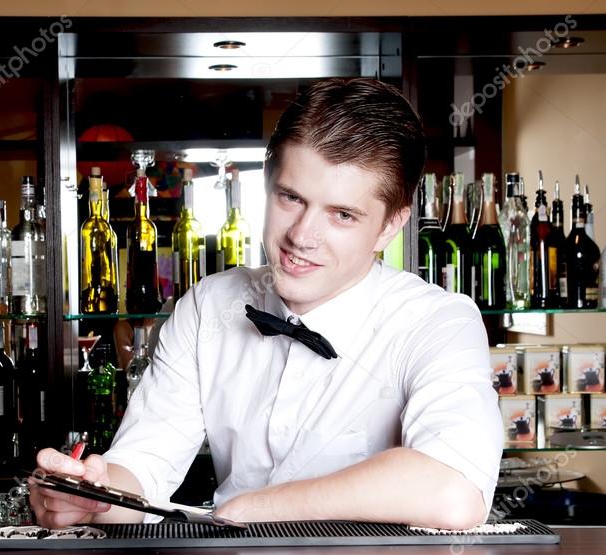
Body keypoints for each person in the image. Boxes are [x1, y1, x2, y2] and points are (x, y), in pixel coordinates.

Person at [30, 77, 502, 530]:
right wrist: (89, 499)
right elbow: (141, 472)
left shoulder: (438, 321)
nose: (301, 236)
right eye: (290, 198)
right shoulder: (208, 307)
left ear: (390, 226)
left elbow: (455, 490)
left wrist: (259, 505)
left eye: (341, 215)